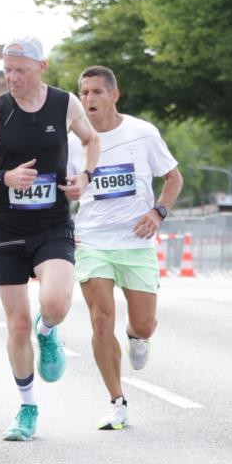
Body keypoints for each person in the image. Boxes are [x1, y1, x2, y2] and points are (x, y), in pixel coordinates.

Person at [0, 35, 99, 442]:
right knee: (17, 324)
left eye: (20, 70)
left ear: (41, 67)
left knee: (55, 303)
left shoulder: (65, 104)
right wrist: (4, 177)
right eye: (7, 71)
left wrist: (85, 176)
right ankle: (27, 408)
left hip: (52, 223)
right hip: (7, 228)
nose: (12, 78)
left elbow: (92, 140)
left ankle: (48, 330)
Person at [68, 65, 183, 430]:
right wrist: (63, 228)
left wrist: (158, 212)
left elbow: (173, 178)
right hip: (92, 240)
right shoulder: (72, 141)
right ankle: (117, 401)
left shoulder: (142, 133)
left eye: (97, 92)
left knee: (145, 324)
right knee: (101, 320)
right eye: (84, 92)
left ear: (114, 95)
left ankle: (137, 336)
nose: (89, 99)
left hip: (136, 241)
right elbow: (61, 189)